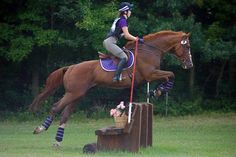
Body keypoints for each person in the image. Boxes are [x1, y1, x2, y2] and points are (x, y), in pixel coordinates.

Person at [103, 2, 144, 82]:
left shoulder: (121, 20)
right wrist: (137, 39)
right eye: (130, 10)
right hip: (110, 42)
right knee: (124, 57)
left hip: (110, 42)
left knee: (123, 54)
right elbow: (127, 35)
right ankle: (116, 77)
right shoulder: (123, 21)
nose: (131, 12)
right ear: (125, 12)